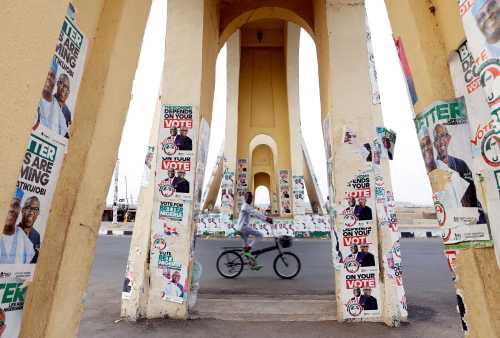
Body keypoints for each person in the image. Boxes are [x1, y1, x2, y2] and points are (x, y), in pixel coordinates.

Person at [433, 124, 480, 208]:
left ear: (449, 138)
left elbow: (473, 196)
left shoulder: (461, 165)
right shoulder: (434, 170)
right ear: (434, 144)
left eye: (443, 136)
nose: (441, 142)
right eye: (437, 138)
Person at [236, 192, 273, 268]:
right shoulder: (245, 206)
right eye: (248, 198)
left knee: (246, 250)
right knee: (260, 235)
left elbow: (255, 214)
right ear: (245, 198)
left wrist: (264, 219)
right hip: (243, 228)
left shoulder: (246, 206)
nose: (250, 199)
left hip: (241, 228)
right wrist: (267, 219)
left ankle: (252, 264)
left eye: (251, 198)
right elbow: (256, 213)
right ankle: (249, 247)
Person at [0, 188, 35, 264]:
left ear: (20, 209)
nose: (10, 209)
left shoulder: (26, 244)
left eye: (15, 205)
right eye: (6, 204)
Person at [17, 196, 41, 264]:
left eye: (35, 209)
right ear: (22, 210)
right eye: (28, 208)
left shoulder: (36, 236)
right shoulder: (12, 232)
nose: (31, 212)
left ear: (38, 213)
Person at [54, 73, 72, 138]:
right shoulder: (47, 102)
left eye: (67, 88)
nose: (64, 90)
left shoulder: (68, 113)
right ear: (57, 84)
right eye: (62, 84)